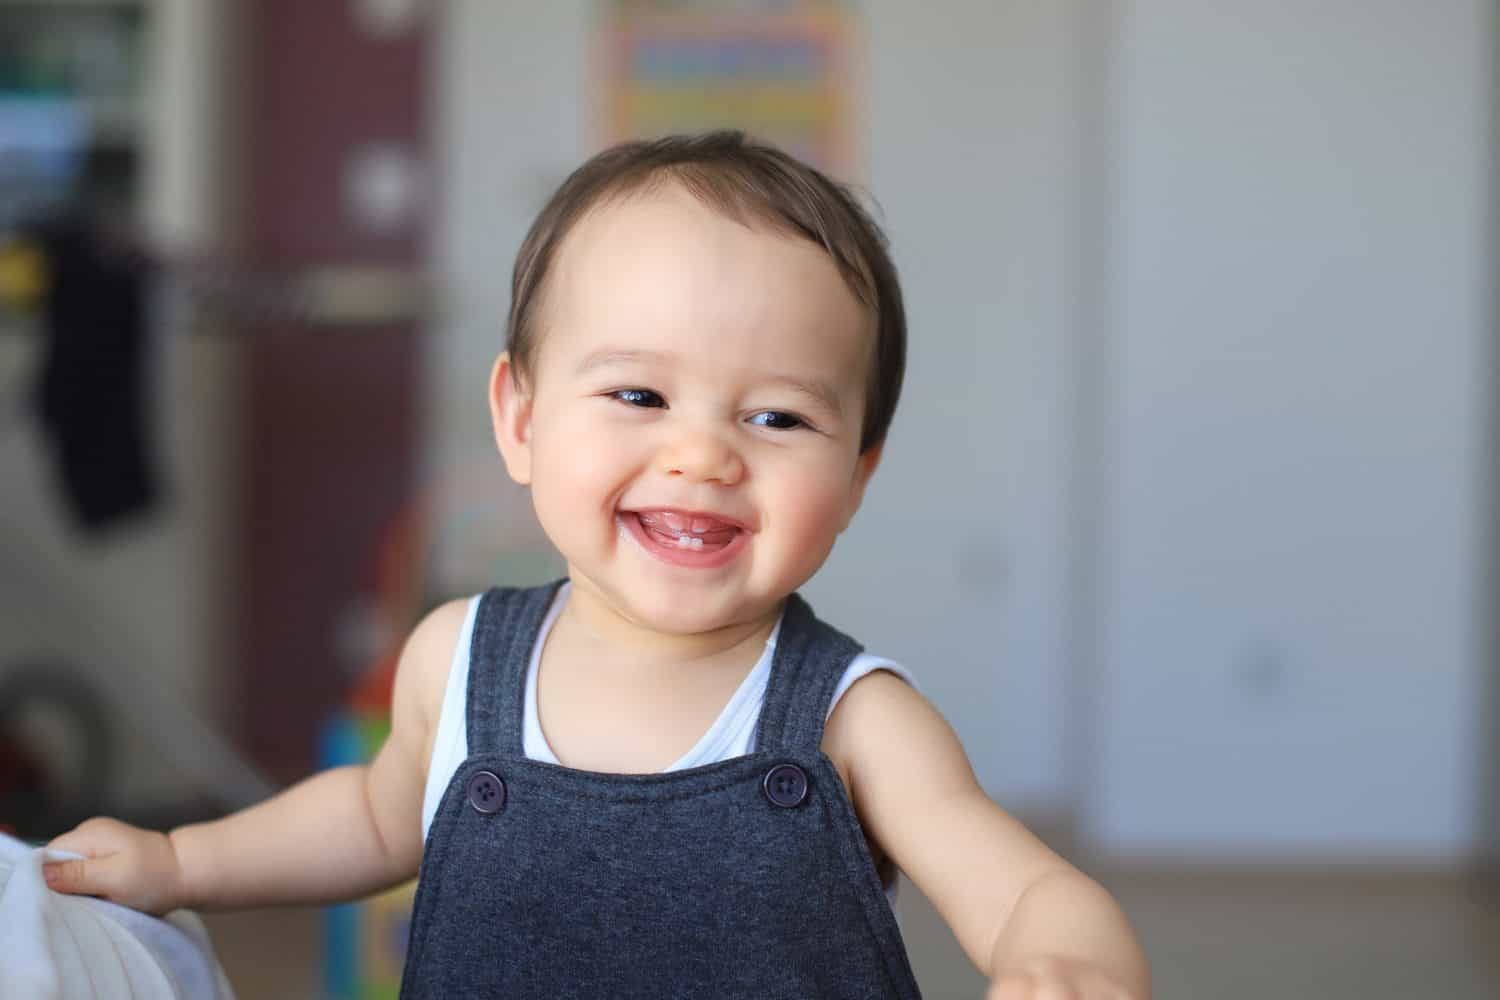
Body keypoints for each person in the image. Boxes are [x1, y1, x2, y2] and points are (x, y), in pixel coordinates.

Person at [42, 131, 1149, 999]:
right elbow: (378, 815)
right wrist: (185, 862)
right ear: (518, 419)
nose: (703, 453)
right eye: (638, 395)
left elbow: (1025, 887)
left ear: (858, 473)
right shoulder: (459, 656)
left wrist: (1071, 958)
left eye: (775, 415)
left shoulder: (857, 720)